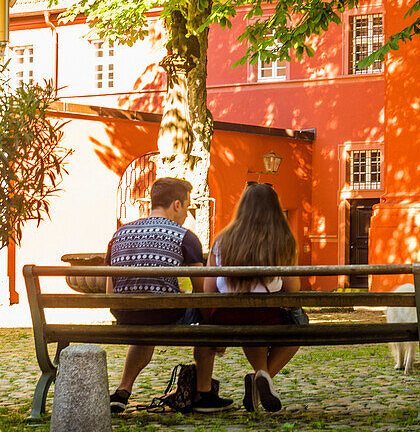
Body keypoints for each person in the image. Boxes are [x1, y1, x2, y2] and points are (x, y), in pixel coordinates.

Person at [106, 177, 231, 414]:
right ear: (176, 204)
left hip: (127, 315)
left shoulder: (119, 234)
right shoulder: (184, 236)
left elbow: (109, 291)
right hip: (166, 313)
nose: (187, 214)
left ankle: (123, 390)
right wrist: (216, 329)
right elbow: (202, 292)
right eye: (187, 206)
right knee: (204, 318)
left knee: (146, 313)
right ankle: (204, 394)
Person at [203, 183, 301, 413]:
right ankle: (263, 376)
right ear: (275, 210)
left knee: (248, 320)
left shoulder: (222, 240)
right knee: (296, 329)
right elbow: (293, 290)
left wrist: (210, 323)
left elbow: (208, 290)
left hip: (225, 316)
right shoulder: (284, 240)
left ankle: (260, 377)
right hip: (266, 317)